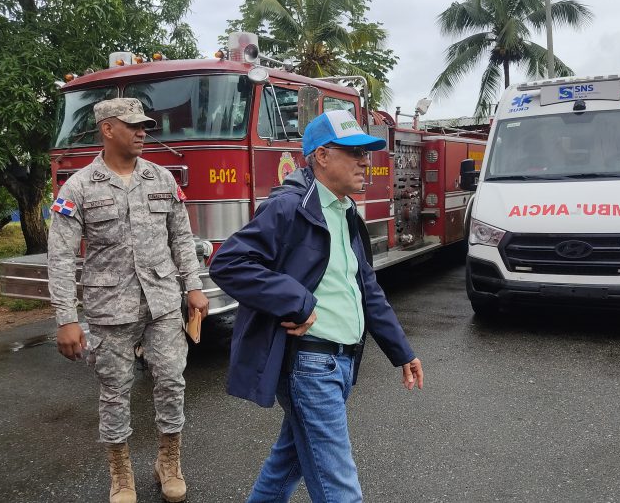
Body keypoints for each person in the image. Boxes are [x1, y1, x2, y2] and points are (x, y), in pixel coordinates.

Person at [210, 109, 424, 502]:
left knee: (284, 465)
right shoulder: (289, 206)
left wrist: (401, 351)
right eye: (353, 152)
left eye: (367, 153)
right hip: (310, 365)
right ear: (322, 156)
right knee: (340, 489)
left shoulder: (344, 211)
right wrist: (296, 301)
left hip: (341, 362)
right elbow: (228, 263)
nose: (366, 161)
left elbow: (366, 288)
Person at [47, 97, 209, 503]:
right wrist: (66, 318)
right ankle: (121, 474)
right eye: (133, 126)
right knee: (114, 391)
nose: (142, 132)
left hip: (163, 302)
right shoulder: (79, 187)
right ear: (108, 129)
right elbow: (61, 256)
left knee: (171, 381)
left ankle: (168, 462)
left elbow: (181, 238)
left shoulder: (161, 179)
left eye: (144, 126)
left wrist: (194, 285)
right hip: (109, 308)